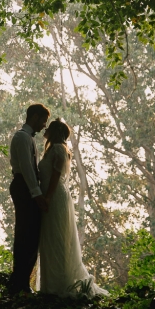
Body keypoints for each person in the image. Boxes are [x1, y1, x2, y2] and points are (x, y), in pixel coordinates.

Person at [37, 119, 108, 298]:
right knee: (49, 238)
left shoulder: (59, 149)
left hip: (55, 197)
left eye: (49, 127)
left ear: (55, 131)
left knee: (58, 238)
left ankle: (59, 285)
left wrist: (48, 198)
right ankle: (50, 285)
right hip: (50, 195)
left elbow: (55, 176)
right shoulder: (52, 150)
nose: (45, 129)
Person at [8, 103, 50, 294]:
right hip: (23, 187)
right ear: (34, 117)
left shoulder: (29, 138)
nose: (44, 125)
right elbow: (26, 168)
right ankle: (19, 282)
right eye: (43, 120)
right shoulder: (21, 137)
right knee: (26, 233)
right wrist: (37, 194)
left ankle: (21, 280)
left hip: (28, 187)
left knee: (31, 234)